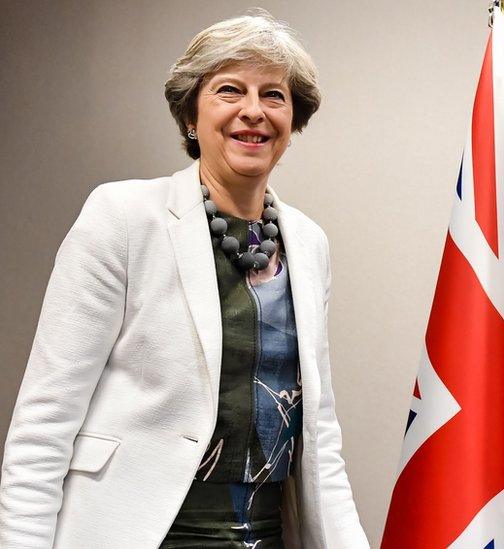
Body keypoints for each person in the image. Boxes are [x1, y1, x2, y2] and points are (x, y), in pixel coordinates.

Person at [0, 9, 369, 548]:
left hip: (264, 534)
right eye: (229, 90)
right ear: (191, 117)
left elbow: (318, 432)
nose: (253, 111)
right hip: (140, 532)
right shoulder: (124, 216)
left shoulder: (308, 243)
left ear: (293, 122)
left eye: (274, 95)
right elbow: (43, 424)